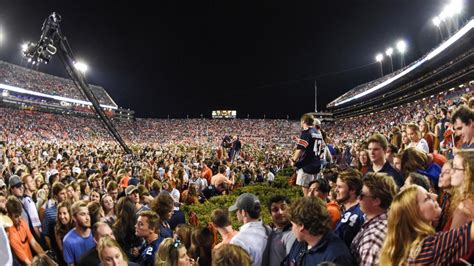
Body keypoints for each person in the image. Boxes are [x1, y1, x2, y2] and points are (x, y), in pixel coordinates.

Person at [379, 185, 474, 265]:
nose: (435, 196)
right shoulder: (427, 248)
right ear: (414, 214)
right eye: (427, 198)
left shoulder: (406, 251)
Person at [282, 197, 354, 265]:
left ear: (301, 226)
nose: (292, 229)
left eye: (293, 224)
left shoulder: (337, 256)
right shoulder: (300, 242)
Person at [350, 172, 397, 266]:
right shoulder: (387, 222)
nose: (358, 198)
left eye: (362, 195)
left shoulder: (373, 238)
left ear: (376, 201)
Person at [228, 193, 268, 266]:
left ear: (243, 212)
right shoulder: (270, 230)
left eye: (237, 210)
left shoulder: (238, 241)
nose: (236, 213)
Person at [6, 196, 45, 265]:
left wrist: (47, 259)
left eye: (20, 215)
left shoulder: (22, 222)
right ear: (9, 215)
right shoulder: (11, 235)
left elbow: (34, 243)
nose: (19, 218)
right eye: (16, 216)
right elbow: (26, 262)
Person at [291, 113, 323, 197]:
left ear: (304, 121)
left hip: (307, 165)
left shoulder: (306, 132)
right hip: (316, 164)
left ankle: (309, 208)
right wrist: (298, 140)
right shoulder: (317, 132)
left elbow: (300, 149)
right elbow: (311, 144)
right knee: (315, 192)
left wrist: (294, 160)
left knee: (307, 193)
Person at [334, 169, 365, 248]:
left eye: (340, 187)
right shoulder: (343, 208)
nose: (335, 190)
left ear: (353, 190)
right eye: (336, 186)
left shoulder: (359, 213)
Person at [62, 200, 96, 265]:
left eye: (88, 214)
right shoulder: (68, 241)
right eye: (83, 214)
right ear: (74, 218)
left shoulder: (96, 233)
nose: (87, 218)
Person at [265, 195, 295, 266]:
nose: (280, 212)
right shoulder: (270, 233)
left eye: (283, 208)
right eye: (275, 210)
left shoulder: (294, 234)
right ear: (270, 215)